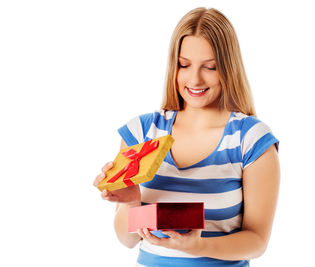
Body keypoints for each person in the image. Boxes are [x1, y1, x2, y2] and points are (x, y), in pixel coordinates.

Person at [94, 7, 280, 267]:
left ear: (228, 68)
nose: (194, 79)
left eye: (210, 67)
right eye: (184, 65)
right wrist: (132, 200)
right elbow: (127, 240)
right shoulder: (142, 132)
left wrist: (198, 246)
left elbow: (257, 241)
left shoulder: (250, 139)